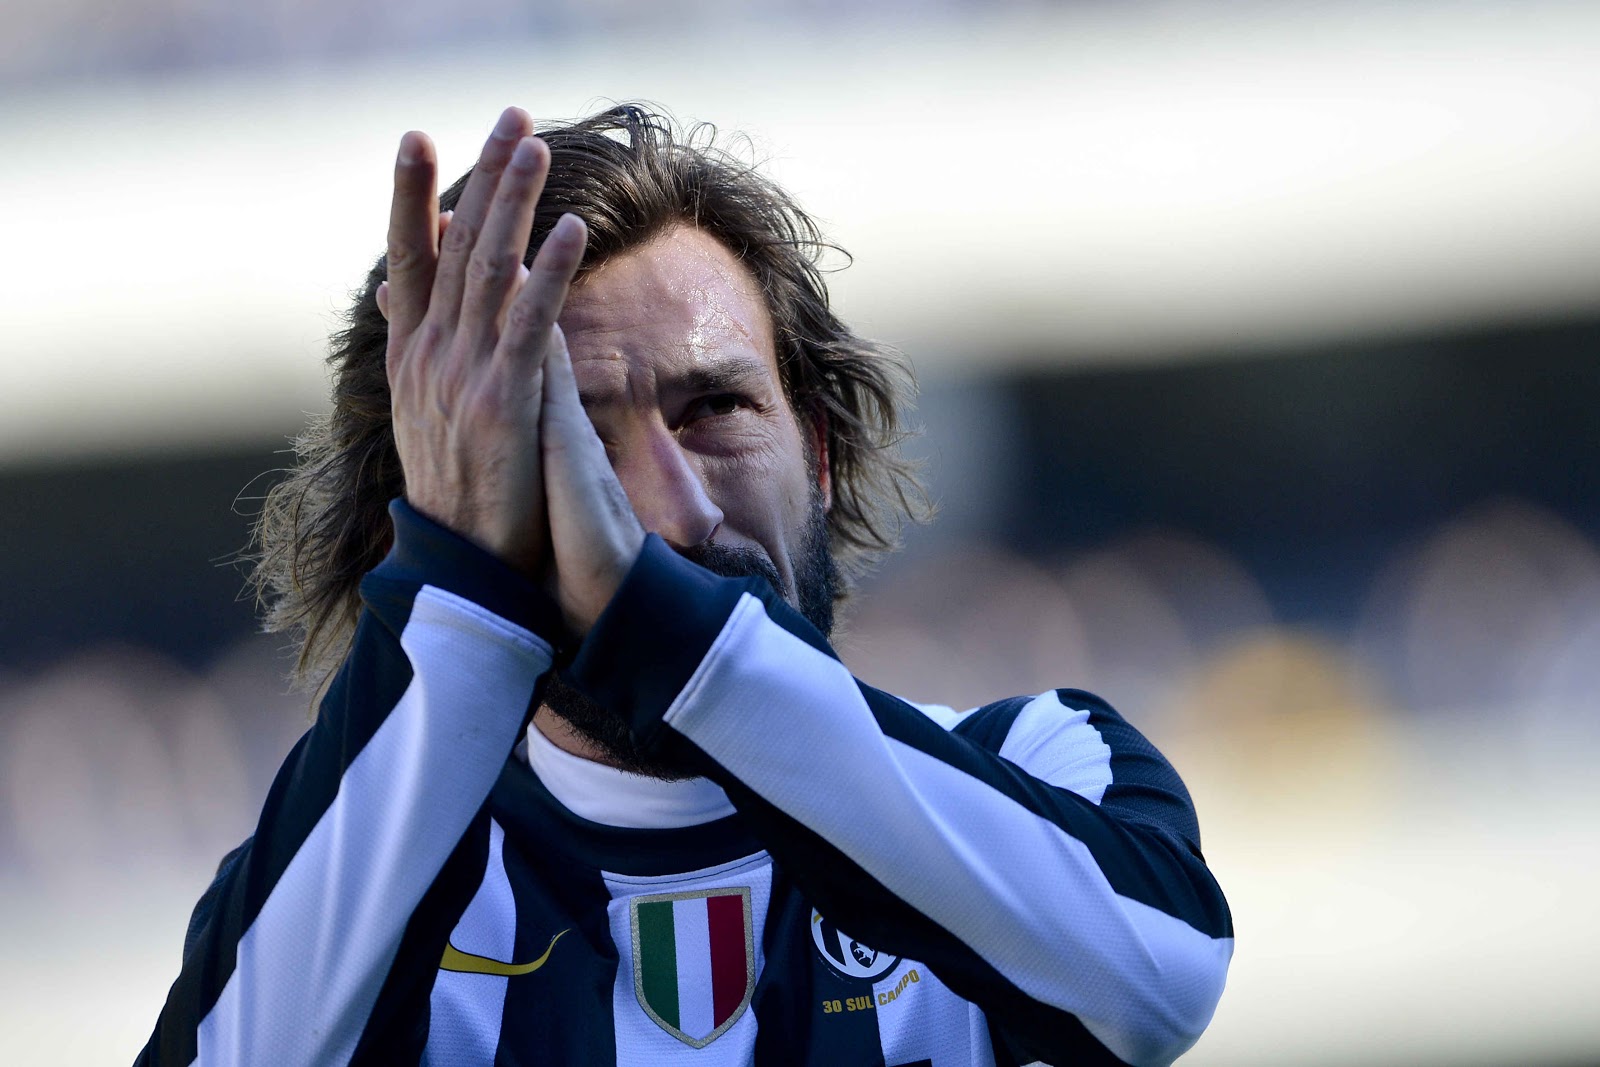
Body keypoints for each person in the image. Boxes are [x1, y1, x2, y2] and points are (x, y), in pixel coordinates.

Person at [136, 103, 1233, 1067]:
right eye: (572, 442)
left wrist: (655, 623)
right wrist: (461, 596)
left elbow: (1160, 982)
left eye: (714, 410)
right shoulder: (358, 894)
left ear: (817, 453)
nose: (671, 514)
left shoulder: (1039, 758)